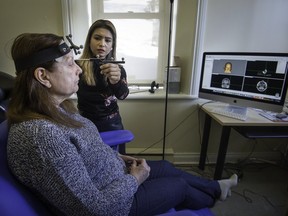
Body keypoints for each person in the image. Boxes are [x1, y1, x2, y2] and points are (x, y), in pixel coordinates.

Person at [7, 33, 238, 216]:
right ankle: (212, 198)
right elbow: (94, 210)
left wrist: (119, 158)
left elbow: (87, 151)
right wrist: (135, 178)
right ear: (43, 76)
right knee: (178, 186)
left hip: (115, 175)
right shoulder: (41, 137)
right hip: (118, 204)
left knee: (166, 167)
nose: (77, 68)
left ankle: (217, 188)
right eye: (69, 64)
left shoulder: (59, 108)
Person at [76, 19, 128, 154]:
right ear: (89, 41)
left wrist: (115, 81)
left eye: (108, 40)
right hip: (85, 125)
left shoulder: (118, 69)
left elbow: (122, 95)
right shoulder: (77, 67)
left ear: (112, 45)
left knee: (118, 164)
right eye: (97, 38)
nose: (102, 44)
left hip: (112, 125)